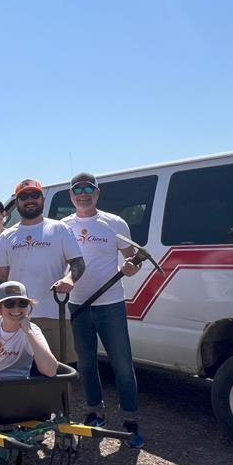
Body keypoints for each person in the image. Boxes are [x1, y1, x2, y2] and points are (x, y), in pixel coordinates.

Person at [62, 172, 144, 448]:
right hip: (78, 304)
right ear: (71, 195)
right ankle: (94, 413)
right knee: (85, 364)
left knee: (122, 364)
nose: (83, 194)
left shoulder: (114, 223)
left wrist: (132, 267)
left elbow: (131, 259)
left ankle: (130, 422)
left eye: (88, 189)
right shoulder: (63, 226)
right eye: (77, 190)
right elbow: (60, 262)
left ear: (97, 192)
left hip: (110, 305)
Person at [0, 179, 85, 364]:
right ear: (17, 202)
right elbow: (0, 278)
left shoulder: (59, 229)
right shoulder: (6, 236)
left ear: (42, 199)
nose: (29, 200)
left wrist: (69, 278)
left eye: (34, 195)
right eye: (23, 196)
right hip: (18, 315)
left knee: (59, 370)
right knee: (19, 372)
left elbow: (78, 263)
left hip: (54, 312)